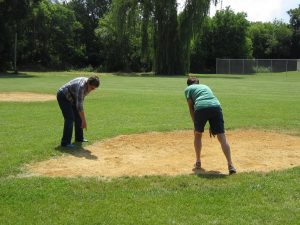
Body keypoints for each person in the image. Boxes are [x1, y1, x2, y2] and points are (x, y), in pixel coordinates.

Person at [184, 76, 236, 175]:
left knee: (198, 135)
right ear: (198, 83)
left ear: (188, 84)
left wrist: (196, 124)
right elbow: (210, 103)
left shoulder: (188, 89)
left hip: (201, 107)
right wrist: (213, 126)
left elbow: (191, 108)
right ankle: (230, 165)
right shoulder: (205, 86)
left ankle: (198, 162)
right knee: (222, 137)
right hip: (216, 106)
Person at [56, 75, 100, 148]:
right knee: (70, 118)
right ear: (88, 83)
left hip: (72, 98)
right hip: (63, 96)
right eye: (92, 88)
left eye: (94, 89)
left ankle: (79, 138)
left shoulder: (88, 85)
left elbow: (79, 102)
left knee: (78, 116)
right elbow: (79, 106)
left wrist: (82, 118)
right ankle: (65, 143)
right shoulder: (82, 87)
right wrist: (84, 121)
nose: (92, 90)